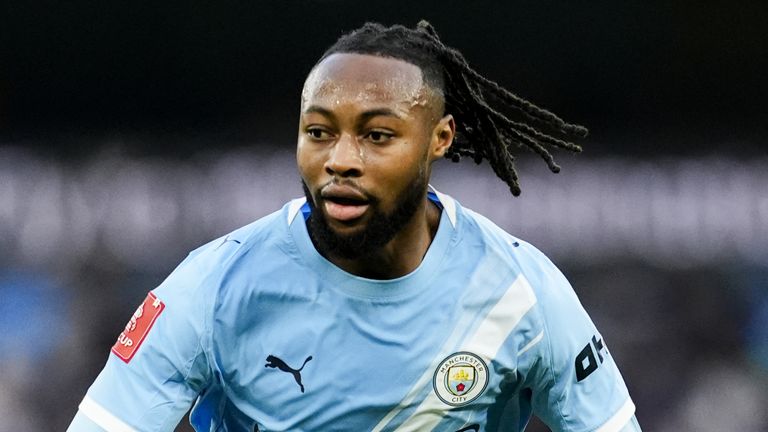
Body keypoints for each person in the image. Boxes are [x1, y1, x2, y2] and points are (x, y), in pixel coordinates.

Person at [68, 21, 641, 432]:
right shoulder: (214, 286)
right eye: (318, 132)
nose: (340, 159)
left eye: (377, 135)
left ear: (439, 139)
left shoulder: (520, 290)